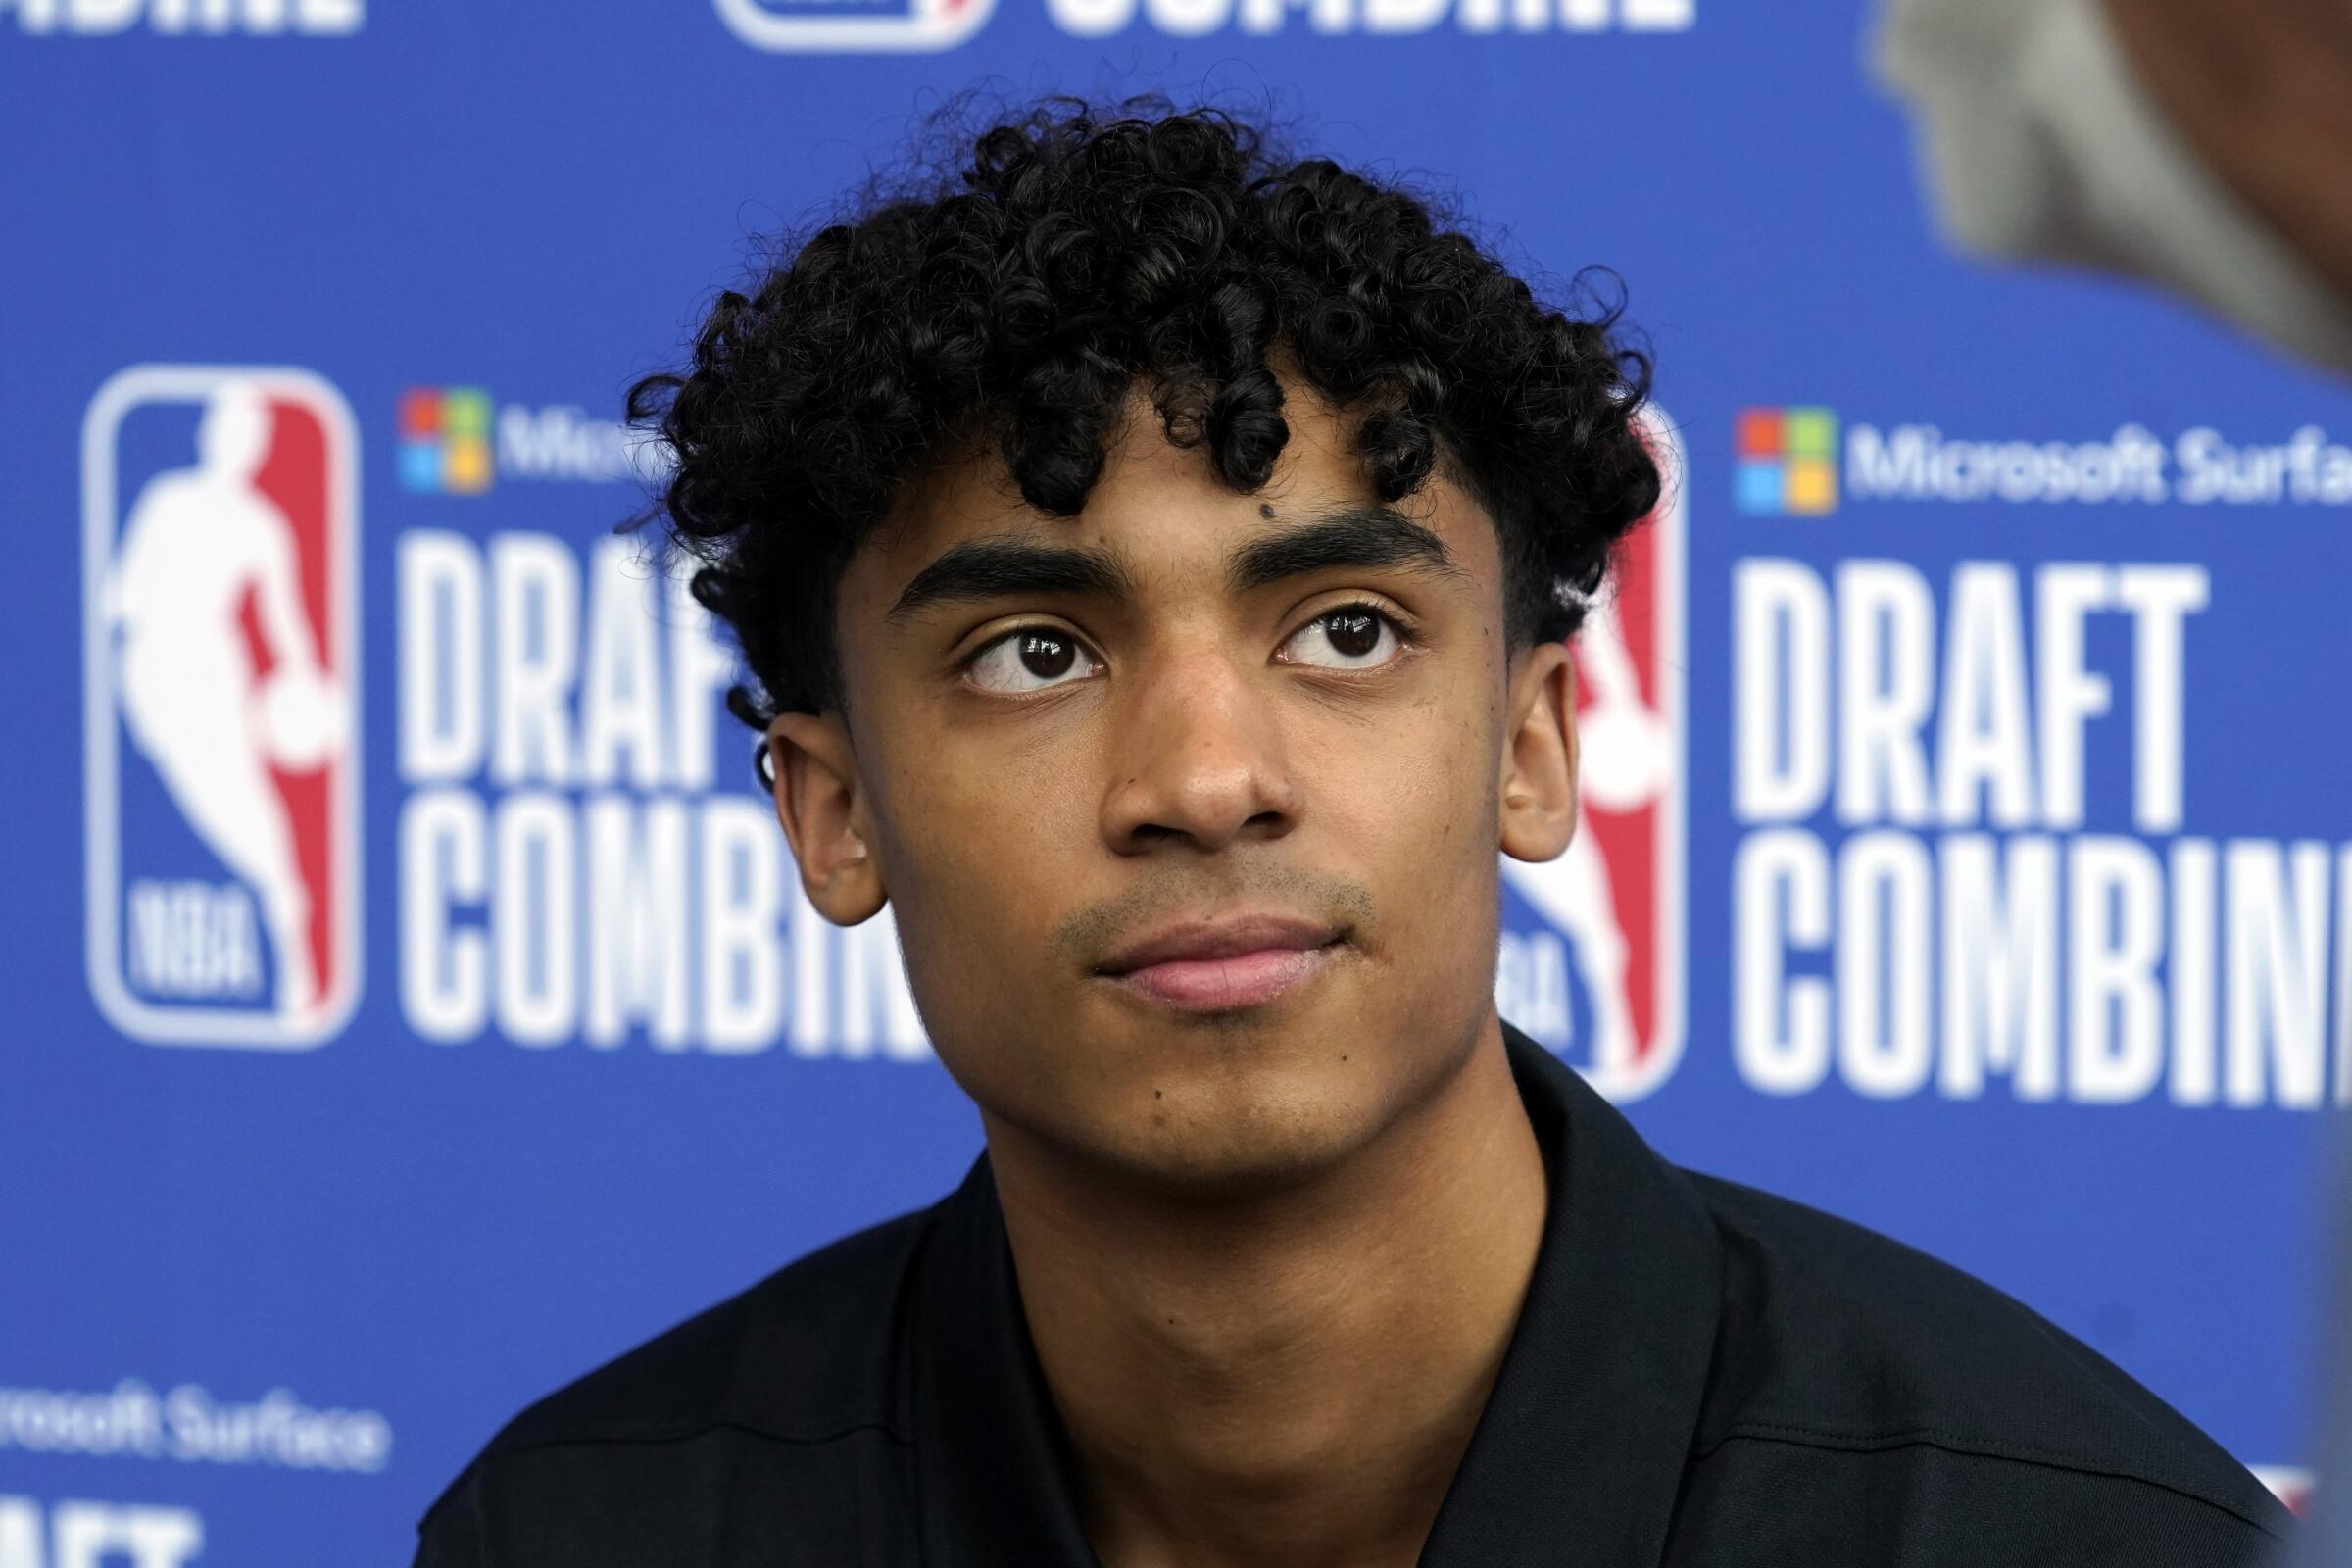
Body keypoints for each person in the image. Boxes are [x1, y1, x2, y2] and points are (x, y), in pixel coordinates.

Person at [411, 101, 2295, 1567]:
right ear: (833, 815)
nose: (1210, 778)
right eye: (1036, 650)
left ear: (1537, 741)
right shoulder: (587, 1531)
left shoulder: (2077, 1539)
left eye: (1345, 631)